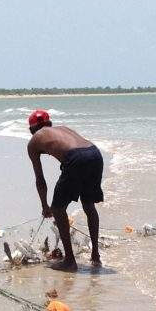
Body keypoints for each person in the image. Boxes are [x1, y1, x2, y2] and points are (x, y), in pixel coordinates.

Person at [26, 109, 104, 271]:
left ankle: (70, 261)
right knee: (88, 205)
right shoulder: (63, 129)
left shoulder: (34, 141)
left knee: (58, 208)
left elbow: (40, 179)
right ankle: (95, 255)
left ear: (32, 129)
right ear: (50, 124)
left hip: (75, 158)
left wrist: (45, 206)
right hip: (94, 154)